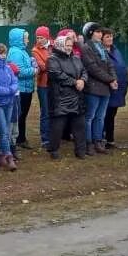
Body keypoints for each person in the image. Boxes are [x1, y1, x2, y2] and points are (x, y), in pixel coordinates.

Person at [45, 31, 88, 160]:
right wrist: (75, 82)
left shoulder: (76, 58)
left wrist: (82, 80)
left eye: (70, 45)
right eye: (67, 45)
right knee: (58, 127)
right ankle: (54, 150)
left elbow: (84, 71)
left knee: (79, 126)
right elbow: (57, 75)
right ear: (60, 45)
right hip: (60, 98)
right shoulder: (52, 59)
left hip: (77, 97)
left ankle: (81, 151)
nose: (69, 47)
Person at [79, 23, 117, 155]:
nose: (100, 34)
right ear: (90, 33)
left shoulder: (101, 47)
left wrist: (113, 78)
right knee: (90, 116)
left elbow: (110, 65)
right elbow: (93, 68)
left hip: (105, 88)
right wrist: (110, 79)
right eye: (97, 32)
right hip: (93, 88)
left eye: (101, 32)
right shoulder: (85, 48)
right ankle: (88, 143)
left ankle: (98, 141)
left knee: (101, 116)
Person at [7, 28, 36, 149]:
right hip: (20, 89)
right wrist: (34, 70)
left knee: (22, 115)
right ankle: (18, 139)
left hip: (26, 88)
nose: (28, 40)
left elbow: (24, 65)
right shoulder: (15, 53)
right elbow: (19, 71)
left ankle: (21, 138)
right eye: (25, 38)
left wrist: (31, 61)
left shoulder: (21, 51)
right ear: (19, 39)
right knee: (20, 115)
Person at [102, 29, 128, 149]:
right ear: (101, 38)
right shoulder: (100, 52)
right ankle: (103, 138)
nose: (110, 39)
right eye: (107, 37)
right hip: (106, 88)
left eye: (111, 36)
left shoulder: (115, 50)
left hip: (118, 88)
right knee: (105, 114)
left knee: (112, 114)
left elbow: (121, 66)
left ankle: (110, 139)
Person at [31, 27, 52, 150]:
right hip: (43, 85)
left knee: (54, 110)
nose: (39, 40)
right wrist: (55, 64)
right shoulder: (35, 50)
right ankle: (45, 138)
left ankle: (54, 135)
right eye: (37, 38)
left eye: (41, 37)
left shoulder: (53, 46)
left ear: (47, 37)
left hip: (55, 84)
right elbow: (42, 66)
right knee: (45, 112)